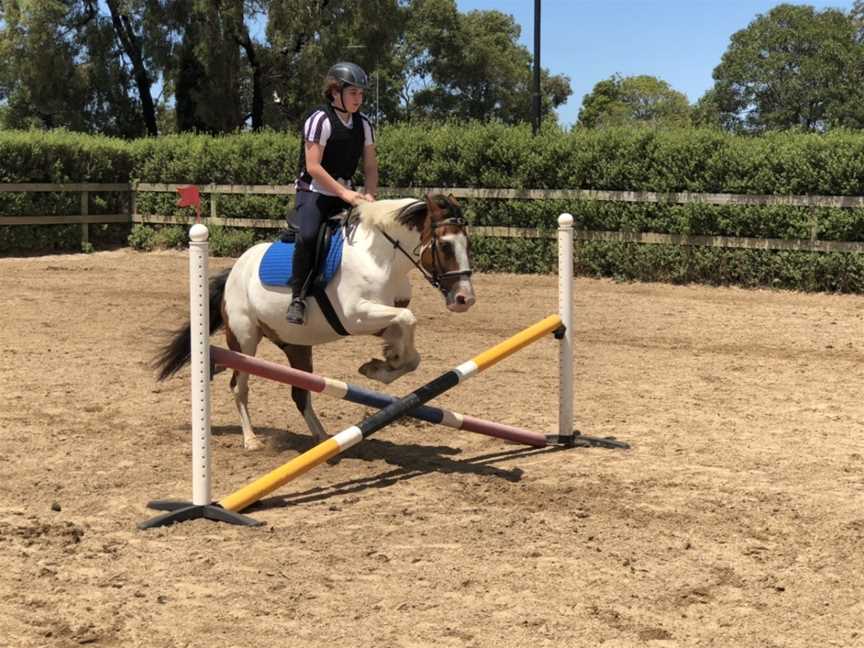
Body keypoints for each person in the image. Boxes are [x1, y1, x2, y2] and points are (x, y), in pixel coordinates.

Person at [286, 61, 378, 324]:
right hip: (313, 192)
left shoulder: (365, 125)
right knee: (309, 236)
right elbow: (313, 167)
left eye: (361, 94)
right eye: (353, 93)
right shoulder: (319, 120)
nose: (358, 99)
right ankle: (298, 298)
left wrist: (370, 194)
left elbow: (370, 166)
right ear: (335, 92)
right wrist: (346, 194)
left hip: (346, 193)